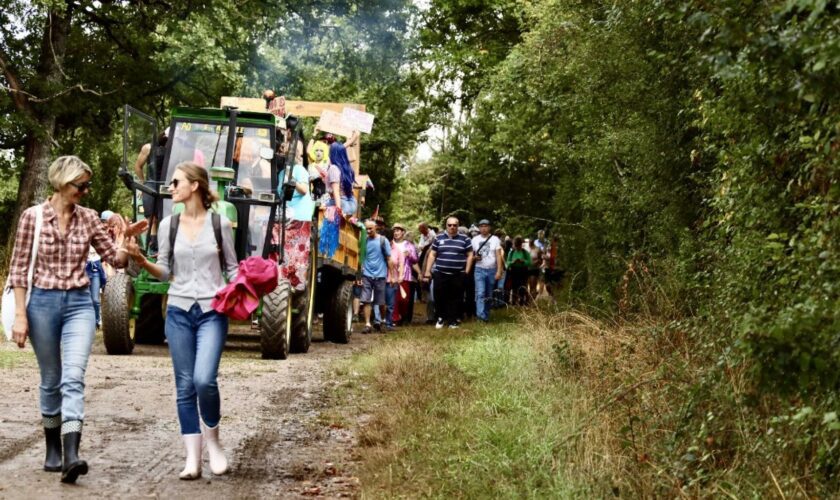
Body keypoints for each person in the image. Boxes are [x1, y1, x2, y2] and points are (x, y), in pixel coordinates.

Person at [9, 156, 146, 484]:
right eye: (79, 186)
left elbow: (117, 261)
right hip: (40, 304)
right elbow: (17, 269)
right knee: (51, 379)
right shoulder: (33, 218)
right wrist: (19, 316)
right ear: (60, 183)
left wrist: (126, 244)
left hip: (78, 305)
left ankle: (72, 455)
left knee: (73, 378)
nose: (85, 192)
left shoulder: (87, 219)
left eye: (88, 186)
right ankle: (52, 449)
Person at [128, 162, 239, 480]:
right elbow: (165, 271)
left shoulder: (220, 224)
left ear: (195, 186)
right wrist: (141, 261)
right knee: (184, 386)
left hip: (212, 312)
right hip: (177, 311)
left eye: (176, 181)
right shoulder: (167, 226)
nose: (171, 186)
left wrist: (242, 288)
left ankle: (214, 444)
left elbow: (231, 268)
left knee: (205, 380)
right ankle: (193, 459)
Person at [422, 216, 473, 329]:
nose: (452, 227)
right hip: (440, 273)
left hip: (458, 273)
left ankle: (452, 320)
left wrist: (467, 271)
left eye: (455, 225)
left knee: (456, 297)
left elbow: (470, 255)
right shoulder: (439, 238)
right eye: (450, 225)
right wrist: (427, 271)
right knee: (439, 296)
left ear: (458, 226)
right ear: (446, 225)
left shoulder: (465, 239)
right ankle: (440, 318)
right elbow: (432, 254)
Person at [132, 132, 168, 252]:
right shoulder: (148, 148)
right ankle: (150, 246)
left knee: (163, 217)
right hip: (151, 185)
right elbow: (138, 166)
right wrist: (143, 183)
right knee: (151, 218)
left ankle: (162, 245)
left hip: (166, 186)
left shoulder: (174, 149)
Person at [361, 220, 392, 333]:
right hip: (367, 275)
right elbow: (362, 257)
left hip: (380, 275)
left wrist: (392, 276)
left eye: (370, 228)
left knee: (381, 302)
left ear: (376, 228)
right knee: (366, 301)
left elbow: (389, 258)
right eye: (367, 229)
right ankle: (368, 324)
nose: (368, 231)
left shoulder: (383, 241)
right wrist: (361, 271)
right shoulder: (364, 240)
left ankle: (382, 320)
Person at [471, 219, 503, 323]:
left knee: (489, 294)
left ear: (489, 228)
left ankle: (486, 314)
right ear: (479, 228)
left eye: (486, 226)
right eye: (481, 226)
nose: (484, 228)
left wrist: (499, 271)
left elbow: (498, 255)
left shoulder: (495, 239)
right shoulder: (474, 240)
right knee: (480, 292)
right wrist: (475, 258)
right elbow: (470, 255)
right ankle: (481, 317)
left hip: (492, 270)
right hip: (479, 269)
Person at [390, 223, 418, 326]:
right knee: (393, 298)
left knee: (403, 299)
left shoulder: (409, 245)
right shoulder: (390, 243)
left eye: (398, 230)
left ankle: (403, 316)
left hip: (405, 275)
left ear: (403, 232)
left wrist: (409, 255)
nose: (396, 232)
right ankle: (394, 319)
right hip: (392, 274)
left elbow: (415, 260)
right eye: (394, 231)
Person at [326, 142, 357, 216]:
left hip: (341, 203)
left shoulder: (334, 168)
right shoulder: (347, 168)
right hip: (352, 203)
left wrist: (338, 211)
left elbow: (336, 192)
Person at [506, 236, 532, 306]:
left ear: (521, 245)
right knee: (514, 287)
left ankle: (522, 302)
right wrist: (512, 262)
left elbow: (530, 262)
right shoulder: (511, 253)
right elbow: (507, 263)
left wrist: (523, 261)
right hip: (514, 271)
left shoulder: (525, 252)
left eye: (518, 246)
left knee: (523, 287)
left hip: (523, 271)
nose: (517, 247)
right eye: (516, 246)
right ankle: (514, 302)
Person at [527, 236, 544, 301]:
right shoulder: (527, 249)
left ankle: (532, 301)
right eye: (529, 242)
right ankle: (531, 299)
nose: (529, 243)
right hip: (527, 269)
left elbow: (541, 259)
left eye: (530, 242)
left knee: (533, 285)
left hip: (534, 269)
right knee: (530, 286)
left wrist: (537, 261)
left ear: (533, 242)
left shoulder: (537, 249)